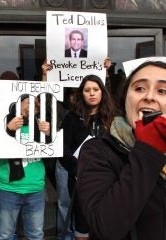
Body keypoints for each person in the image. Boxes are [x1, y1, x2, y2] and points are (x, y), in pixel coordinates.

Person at [76, 60, 166, 239]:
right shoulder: (97, 152)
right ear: (125, 101)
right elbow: (105, 228)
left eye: (162, 91)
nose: (149, 96)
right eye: (139, 89)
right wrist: (148, 150)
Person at [60, 74, 115, 240]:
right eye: (87, 90)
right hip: (80, 182)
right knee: (82, 225)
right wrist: (77, 169)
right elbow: (62, 149)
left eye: (96, 89)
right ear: (81, 94)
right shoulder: (71, 118)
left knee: (106, 223)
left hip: (108, 182)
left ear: (102, 92)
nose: (92, 93)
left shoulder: (113, 117)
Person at [0, 94, 51, 240]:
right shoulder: (2, 120)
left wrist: (49, 133)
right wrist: (8, 129)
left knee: (36, 235)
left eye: (35, 104)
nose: (31, 106)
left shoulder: (41, 124)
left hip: (35, 188)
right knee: (4, 235)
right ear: (17, 103)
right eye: (27, 102)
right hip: (8, 188)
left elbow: (53, 149)